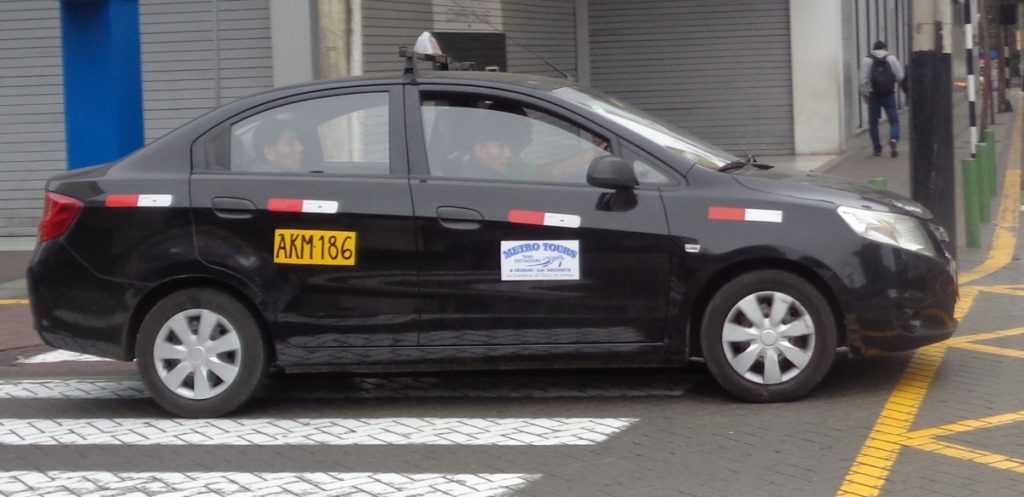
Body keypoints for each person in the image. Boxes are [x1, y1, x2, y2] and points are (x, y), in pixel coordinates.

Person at [860, 40, 905, 158]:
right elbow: (900, 76)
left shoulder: (867, 60)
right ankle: (894, 139)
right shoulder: (891, 58)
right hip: (889, 94)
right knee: (894, 121)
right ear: (885, 48)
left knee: (873, 123)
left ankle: (877, 149)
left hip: (873, 95)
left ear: (873, 48)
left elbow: (862, 81)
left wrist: (865, 95)